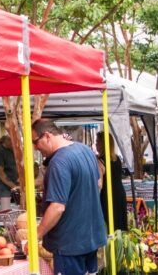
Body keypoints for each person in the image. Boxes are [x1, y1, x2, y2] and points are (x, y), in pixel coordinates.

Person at [33, 118, 106, 275]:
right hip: (90, 238)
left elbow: (57, 207)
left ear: (47, 136)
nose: (35, 147)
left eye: (35, 142)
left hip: (70, 244)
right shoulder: (85, 150)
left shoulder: (59, 162)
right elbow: (99, 183)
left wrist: (36, 235)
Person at [96, 131, 128, 232]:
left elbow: (99, 183)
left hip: (107, 194)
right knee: (119, 224)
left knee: (109, 224)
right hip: (119, 193)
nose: (96, 144)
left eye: (97, 142)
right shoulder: (116, 159)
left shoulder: (100, 160)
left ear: (103, 143)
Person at [0, 135, 19, 210]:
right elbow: (1, 173)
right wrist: (14, 186)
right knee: (5, 209)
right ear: (6, 140)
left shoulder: (12, 150)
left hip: (13, 185)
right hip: (3, 187)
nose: (15, 144)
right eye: (13, 141)